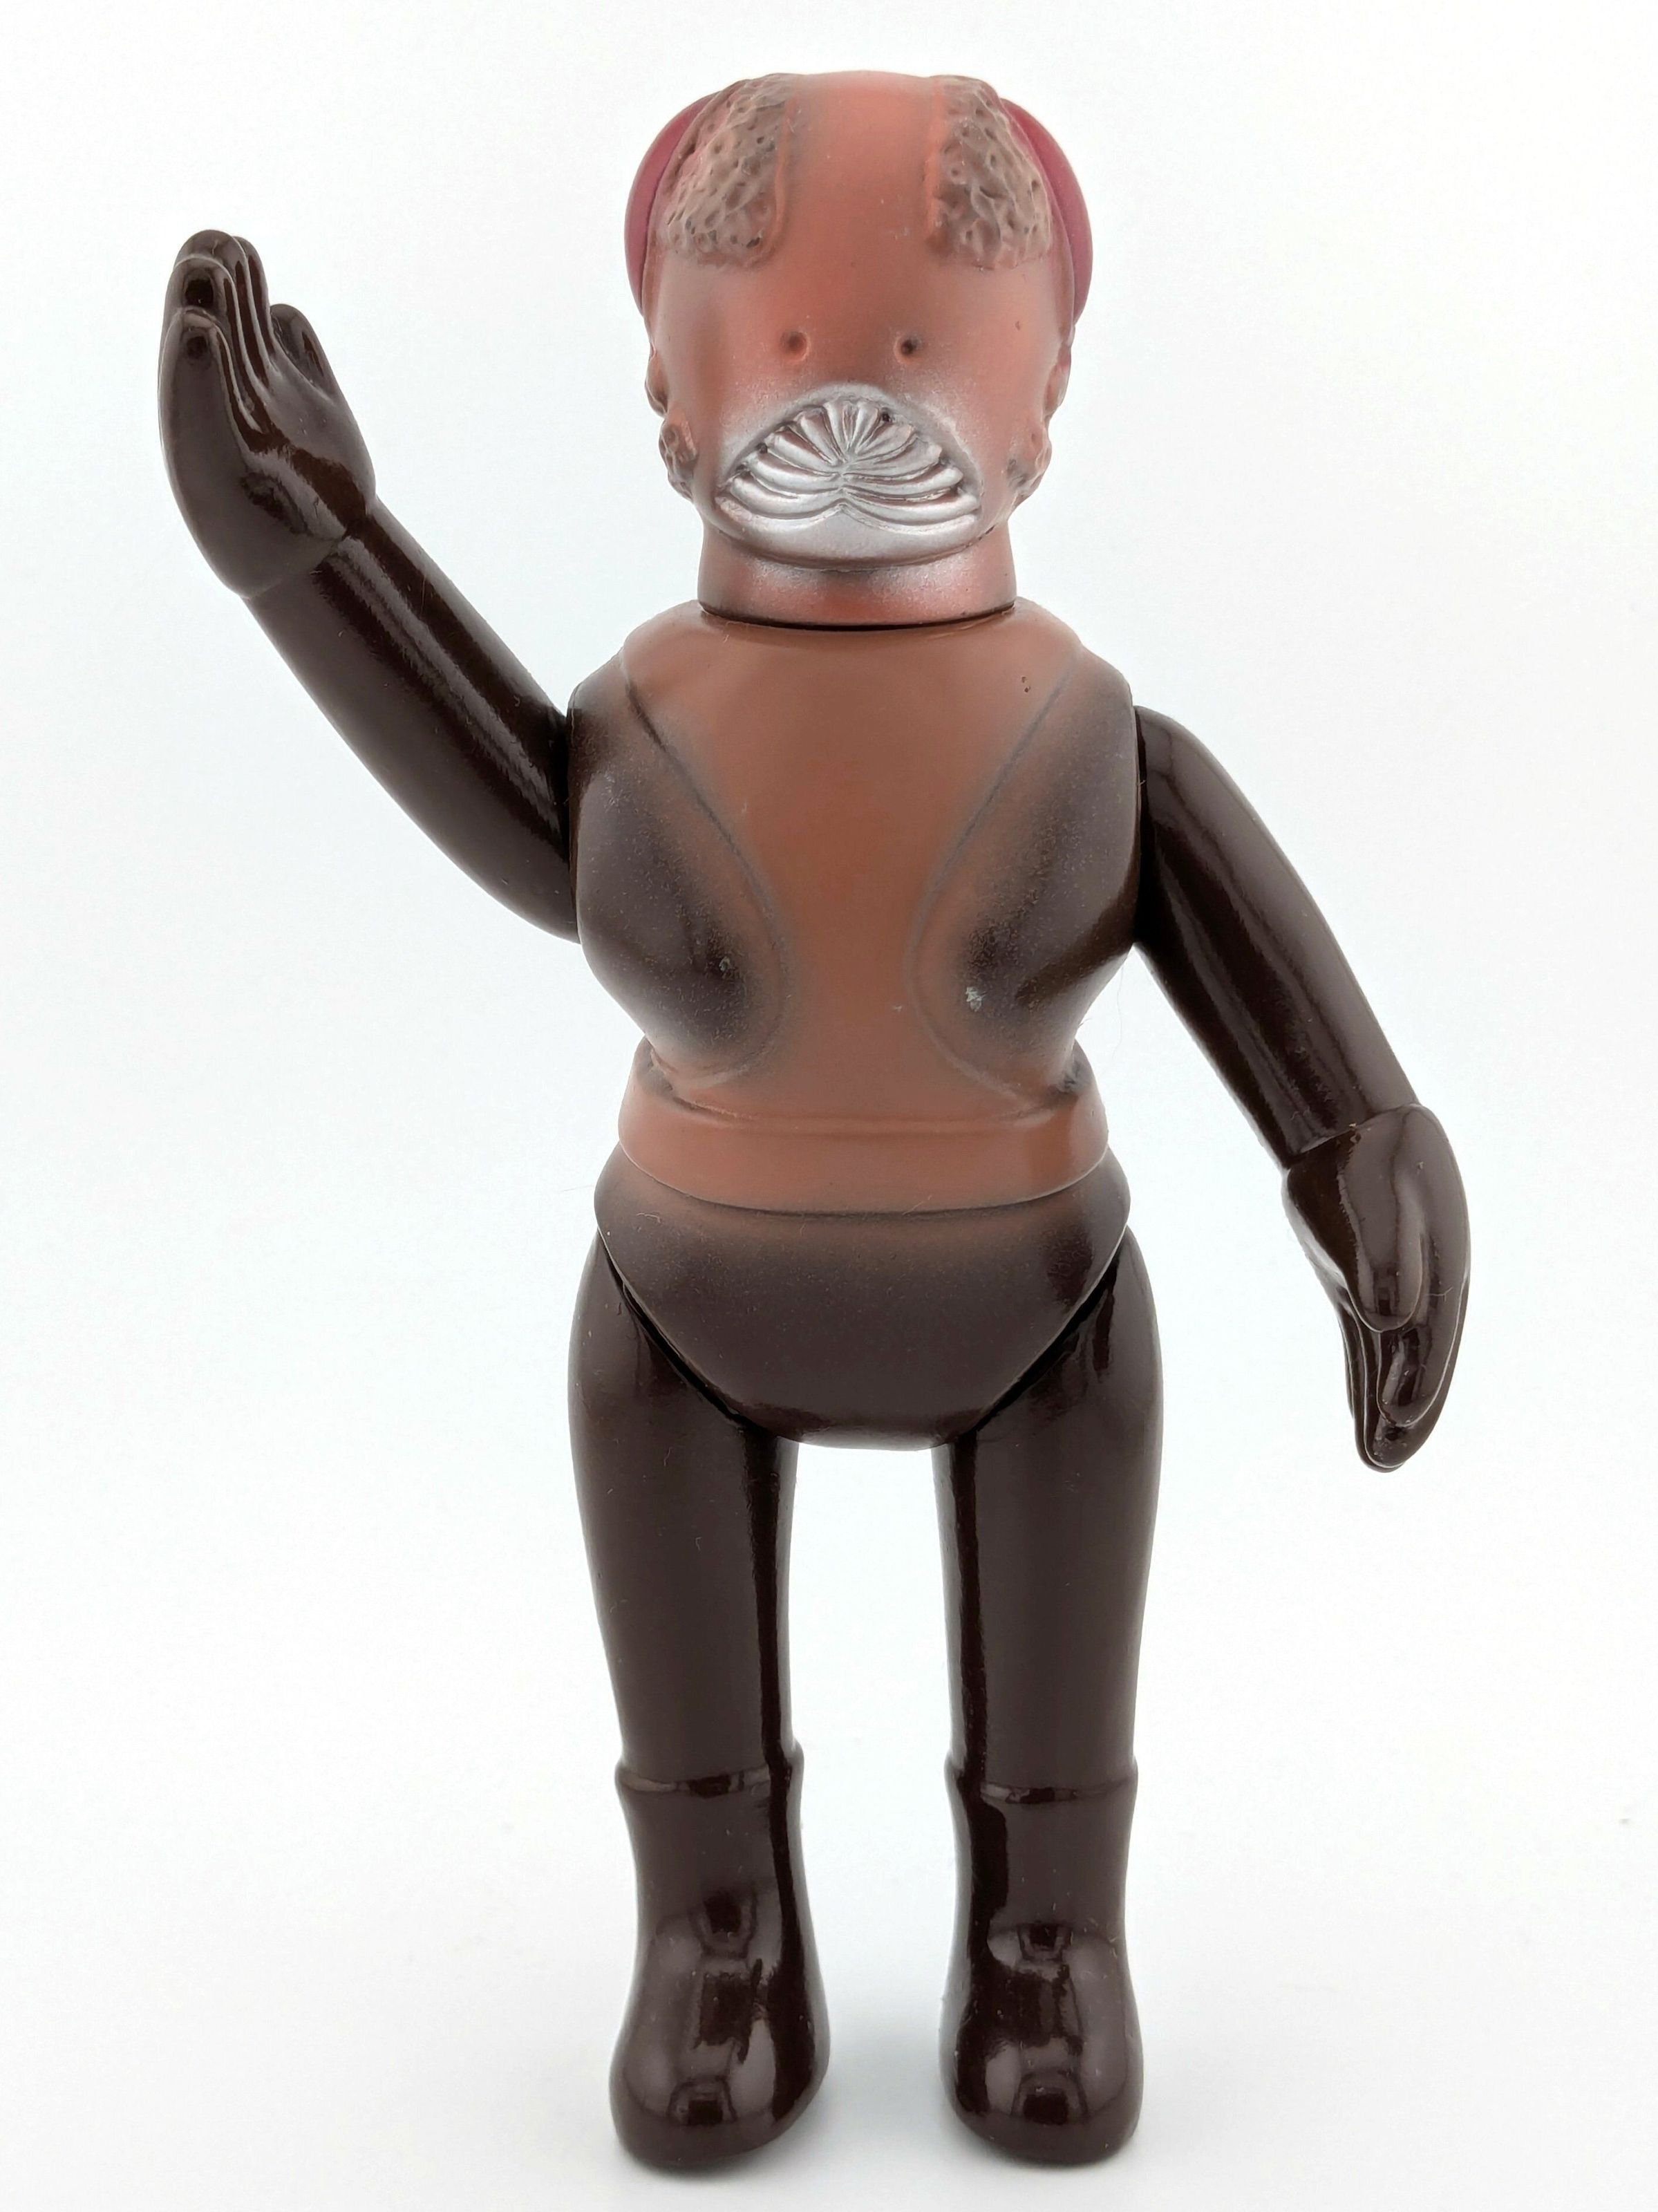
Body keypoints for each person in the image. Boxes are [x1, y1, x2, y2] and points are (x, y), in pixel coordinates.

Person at [158, 68, 1469, 2171]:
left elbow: (1295, 1025)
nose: (850, 410)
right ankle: (719, 1943)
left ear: (1045, 399)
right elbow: (485, 785)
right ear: (667, 395)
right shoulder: (637, 728)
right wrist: (312, 549)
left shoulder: (1095, 739)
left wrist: (1368, 1150)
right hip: (683, 1314)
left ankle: (1048, 1944)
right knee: (691, 1717)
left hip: (1042, 1319)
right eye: (784, 350)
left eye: (919, 351)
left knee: (1056, 1719)